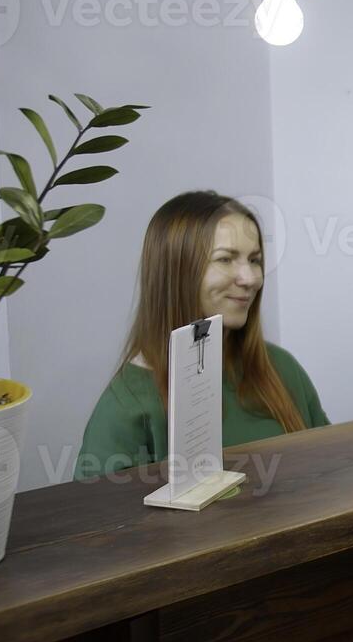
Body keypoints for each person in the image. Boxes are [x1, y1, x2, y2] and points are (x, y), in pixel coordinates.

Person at [74, 191, 330, 479]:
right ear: (177, 271)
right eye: (225, 259)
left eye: (255, 259)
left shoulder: (282, 369)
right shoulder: (127, 408)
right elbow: (100, 520)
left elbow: (330, 476)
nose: (251, 278)